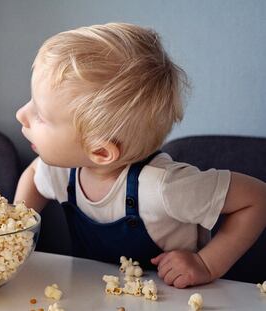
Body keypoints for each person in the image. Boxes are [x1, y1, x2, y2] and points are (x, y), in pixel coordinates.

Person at [14, 23, 266, 288]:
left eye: (40, 115)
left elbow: (257, 200)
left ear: (100, 151)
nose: (21, 114)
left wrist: (206, 264)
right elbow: (34, 175)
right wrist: (18, 229)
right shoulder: (63, 170)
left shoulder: (163, 187)